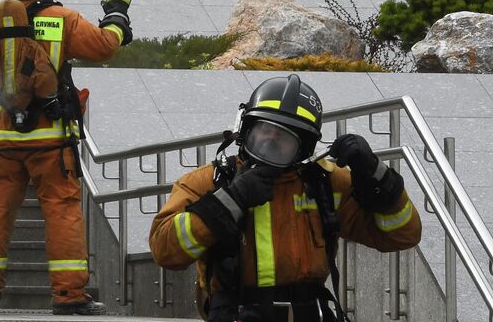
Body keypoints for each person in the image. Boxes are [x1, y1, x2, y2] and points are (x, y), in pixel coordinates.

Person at [0, 0, 134, 315]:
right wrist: (117, 13)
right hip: (51, 138)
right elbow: (105, 47)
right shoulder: (63, 19)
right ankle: (68, 296)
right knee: (62, 211)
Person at [148, 74, 422, 322]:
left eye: (284, 137)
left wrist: (374, 174)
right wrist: (230, 201)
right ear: (245, 130)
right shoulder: (210, 182)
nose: (270, 141)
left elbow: (402, 235)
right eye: (263, 130)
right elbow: (165, 250)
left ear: (304, 147)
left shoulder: (326, 183)